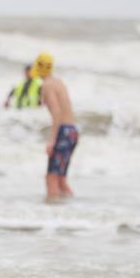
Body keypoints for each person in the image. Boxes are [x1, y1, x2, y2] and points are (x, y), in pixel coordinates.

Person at [34, 52, 79, 201]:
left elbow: (57, 113)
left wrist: (52, 140)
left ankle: (53, 211)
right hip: (72, 131)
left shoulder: (47, 85)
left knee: (51, 178)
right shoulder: (58, 82)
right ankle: (70, 207)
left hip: (63, 131)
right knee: (61, 179)